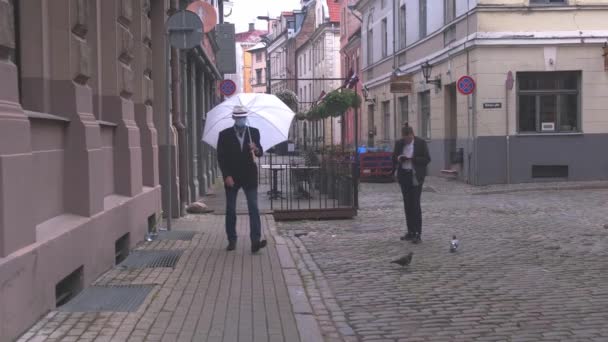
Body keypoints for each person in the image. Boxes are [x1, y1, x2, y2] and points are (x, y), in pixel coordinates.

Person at [217, 105, 265, 253]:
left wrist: (255, 149)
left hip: (249, 175)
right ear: (234, 118)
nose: (241, 120)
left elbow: (260, 153)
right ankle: (232, 240)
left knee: (253, 207)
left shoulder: (253, 133)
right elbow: (221, 157)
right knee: (231, 209)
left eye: (243, 117)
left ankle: (255, 241)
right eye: (238, 117)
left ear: (246, 118)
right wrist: (226, 176)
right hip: (232, 176)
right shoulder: (224, 134)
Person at [392, 123, 431, 244]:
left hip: (416, 176)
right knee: (407, 204)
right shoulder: (399, 143)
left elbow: (427, 159)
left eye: (409, 138)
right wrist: (399, 158)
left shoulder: (420, 143)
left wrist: (413, 159)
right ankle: (410, 232)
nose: (407, 141)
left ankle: (418, 233)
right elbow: (393, 157)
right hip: (404, 176)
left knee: (415, 204)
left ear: (412, 135)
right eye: (405, 138)